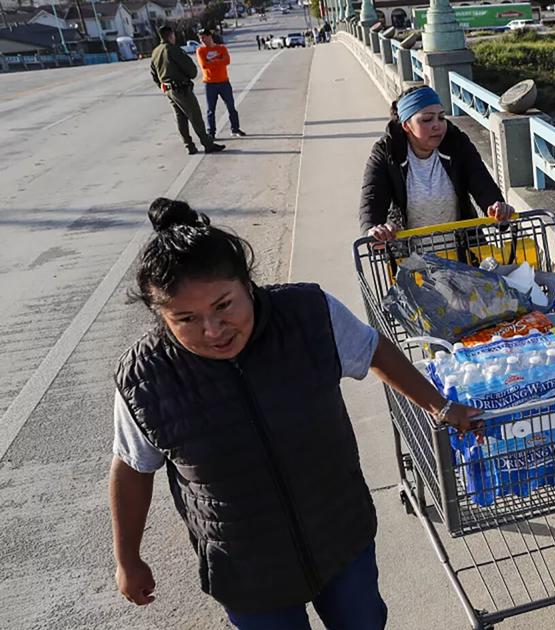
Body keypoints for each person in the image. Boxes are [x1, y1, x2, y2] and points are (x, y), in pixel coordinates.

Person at [109, 198, 481, 628]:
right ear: (161, 317)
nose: (212, 330)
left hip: (341, 535)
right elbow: (133, 466)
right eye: (186, 318)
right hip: (246, 568)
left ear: (247, 285)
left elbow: (372, 348)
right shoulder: (146, 377)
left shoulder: (309, 314)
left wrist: (440, 405)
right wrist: (128, 558)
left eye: (224, 305)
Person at [360, 85, 515, 241]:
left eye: (441, 117)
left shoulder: (457, 143)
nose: (437, 125)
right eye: (427, 119)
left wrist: (497, 207)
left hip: (463, 250)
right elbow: (372, 196)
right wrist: (373, 230)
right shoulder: (387, 152)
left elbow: (481, 182)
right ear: (406, 125)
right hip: (409, 255)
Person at [150, 25, 224, 155]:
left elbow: (154, 74)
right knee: (195, 115)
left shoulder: (156, 51)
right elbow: (191, 70)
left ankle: (189, 146)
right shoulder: (172, 49)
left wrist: (163, 86)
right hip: (180, 88)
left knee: (181, 118)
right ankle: (207, 144)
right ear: (171, 35)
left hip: (168, 89)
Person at [197, 28, 246, 139]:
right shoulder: (200, 51)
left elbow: (227, 61)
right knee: (211, 110)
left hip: (224, 82)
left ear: (210, 37)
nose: (202, 40)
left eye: (204, 37)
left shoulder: (221, 48)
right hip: (210, 83)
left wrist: (212, 61)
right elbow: (204, 65)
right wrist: (218, 60)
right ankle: (211, 132)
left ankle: (235, 128)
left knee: (231, 106)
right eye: (200, 38)